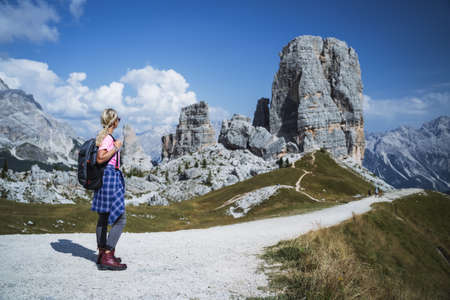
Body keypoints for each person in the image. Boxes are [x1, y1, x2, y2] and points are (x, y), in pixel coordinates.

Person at [91, 108, 127, 271]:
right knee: (121, 218)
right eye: (118, 118)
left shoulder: (104, 137)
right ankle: (108, 253)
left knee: (104, 217)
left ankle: (101, 253)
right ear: (114, 122)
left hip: (105, 179)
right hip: (110, 179)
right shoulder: (108, 139)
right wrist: (116, 147)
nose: (119, 120)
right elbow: (100, 159)